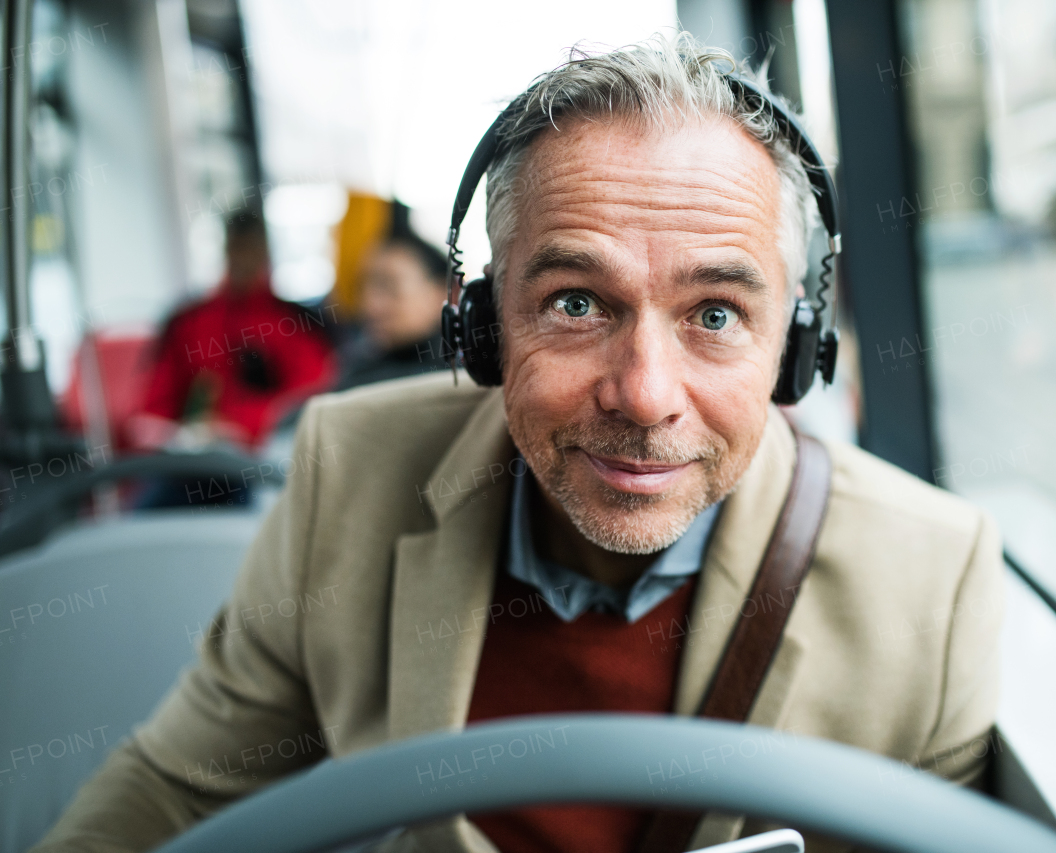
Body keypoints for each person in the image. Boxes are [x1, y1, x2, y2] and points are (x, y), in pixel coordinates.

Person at [36, 34, 1003, 853]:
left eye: (715, 312)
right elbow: (175, 791)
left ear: (793, 352)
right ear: (485, 328)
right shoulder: (348, 471)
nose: (645, 396)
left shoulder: (930, 575)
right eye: (576, 303)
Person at [129, 211, 337, 453]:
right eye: (237, 249)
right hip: (190, 466)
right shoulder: (188, 323)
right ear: (226, 250)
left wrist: (238, 426)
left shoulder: (295, 324)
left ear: (264, 253)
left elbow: (310, 404)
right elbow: (153, 410)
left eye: (250, 249)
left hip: (264, 461)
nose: (243, 259)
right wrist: (167, 433)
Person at [336, 231, 452, 390]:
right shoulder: (358, 366)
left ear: (440, 294)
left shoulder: (455, 377)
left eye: (389, 287)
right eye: (363, 287)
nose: (370, 306)